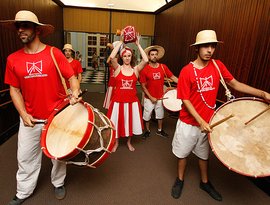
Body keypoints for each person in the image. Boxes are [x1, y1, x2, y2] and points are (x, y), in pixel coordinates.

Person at [171, 30, 270, 201]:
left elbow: (235, 83)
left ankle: (205, 182)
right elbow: (185, 100)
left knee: (203, 155)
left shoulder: (218, 66)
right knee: (183, 154)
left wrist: (262, 93)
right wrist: (200, 121)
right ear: (197, 49)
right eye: (205, 46)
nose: (210, 50)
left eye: (213, 46)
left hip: (210, 123)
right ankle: (179, 180)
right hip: (188, 122)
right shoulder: (187, 70)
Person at [1, 10, 81, 205]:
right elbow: (14, 90)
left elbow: (71, 77)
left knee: (58, 154)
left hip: (57, 116)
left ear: (36, 30)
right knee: (25, 157)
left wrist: (75, 93)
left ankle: (58, 182)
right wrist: (23, 113)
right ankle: (23, 191)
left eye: (25, 25)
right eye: (18, 26)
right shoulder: (13, 59)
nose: (20, 30)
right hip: (30, 119)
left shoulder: (54, 53)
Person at [107, 31, 148, 152]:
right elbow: (111, 58)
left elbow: (145, 60)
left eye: (129, 56)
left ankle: (129, 142)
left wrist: (138, 45)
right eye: (125, 56)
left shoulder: (136, 70)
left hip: (132, 102)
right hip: (118, 101)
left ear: (132, 57)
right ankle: (116, 143)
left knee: (130, 122)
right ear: (122, 57)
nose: (127, 58)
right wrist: (120, 42)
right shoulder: (118, 68)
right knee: (117, 122)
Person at [140, 45, 178, 139]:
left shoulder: (163, 67)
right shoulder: (144, 69)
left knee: (160, 114)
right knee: (147, 115)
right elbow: (143, 86)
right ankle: (147, 130)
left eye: (156, 54)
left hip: (161, 96)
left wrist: (184, 84)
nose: (154, 56)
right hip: (149, 98)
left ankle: (160, 130)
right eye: (152, 54)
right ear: (149, 56)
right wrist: (151, 97)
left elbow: (173, 77)